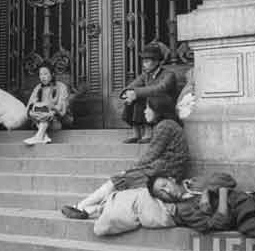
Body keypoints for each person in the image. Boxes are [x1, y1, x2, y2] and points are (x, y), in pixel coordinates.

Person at [61, 94, 189, 220]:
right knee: (121, 185)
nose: (145, 112)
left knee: (118, 180)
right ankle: (84, 209)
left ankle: (81, 207)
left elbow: (150, 155)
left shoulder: (165, 126)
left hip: (163, 173)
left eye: (148, 108)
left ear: (158, 109)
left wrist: (130, 171)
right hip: (164, 170)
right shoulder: (169, 125)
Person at [148, 172, 255, 242]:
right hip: (241, 213)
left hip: (254, 197)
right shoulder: (183, 210)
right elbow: (220, 223)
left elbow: (228, 179)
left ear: (171, 179)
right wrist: (222, 192)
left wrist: (206, 192)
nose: (168, 191)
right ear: (162, 199)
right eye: (161, 192)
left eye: (165, 185)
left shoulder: (194, 182)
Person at [120, 43, 177, 144]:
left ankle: (149, 133)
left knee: (147, 96)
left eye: (147, 61)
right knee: (133, 99)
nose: (144, 64)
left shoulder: (169, 74)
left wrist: (136, 93)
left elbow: (159, 89)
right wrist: (127, 93)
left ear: (156, 62)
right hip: (152, 106)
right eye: (143, 62)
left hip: (167, 108)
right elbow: (132, 85)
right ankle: (136, 134)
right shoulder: (145, 75)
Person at [23, 62, 72, 145]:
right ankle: (43, 137)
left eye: (45, 74)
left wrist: (50, 114)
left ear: (52, 74)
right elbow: (29, 107)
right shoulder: (38, 88)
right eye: (40, 74)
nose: (42, 77)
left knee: (46, 114)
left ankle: (39, 136)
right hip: (40, 119)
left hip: (57, 118)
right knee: (39, 112)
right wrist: (33, 114)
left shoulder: (61, 86)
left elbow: (61, 107)